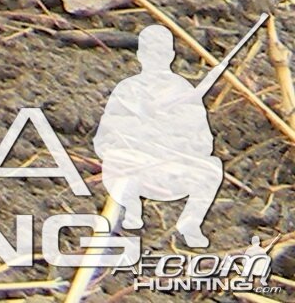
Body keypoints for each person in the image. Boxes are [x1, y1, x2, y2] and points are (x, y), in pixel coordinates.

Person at [94, 24, 222, 249]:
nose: (156, 58)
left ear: (171, 55)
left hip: (170, 169)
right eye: (150, 52)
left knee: (212, 168)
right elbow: (105, 136)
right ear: (140, 54)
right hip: (131, 166)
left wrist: (177, 140)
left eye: (161, 52)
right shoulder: (127, 89)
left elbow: (203, 142)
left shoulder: (183, 90)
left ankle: (190, 224)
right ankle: (132, 213)